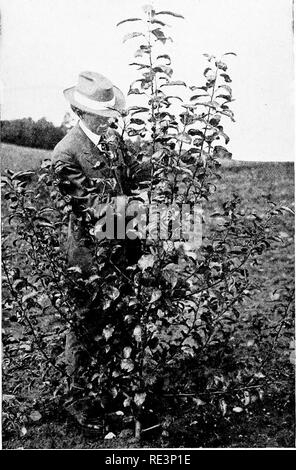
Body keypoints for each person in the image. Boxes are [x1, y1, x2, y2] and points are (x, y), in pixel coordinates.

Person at [51, 71, 148, 428]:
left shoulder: (115, 144)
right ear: (82, 111)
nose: (112, 119)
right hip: (88, 258)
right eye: (104, 114)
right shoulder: (66, 152)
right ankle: (77, 402)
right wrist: (140, 209)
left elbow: (136, 179)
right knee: (84, 326)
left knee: (117, 323)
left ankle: (108, 393)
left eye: (112, 113)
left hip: (121, 253)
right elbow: (93, 210)